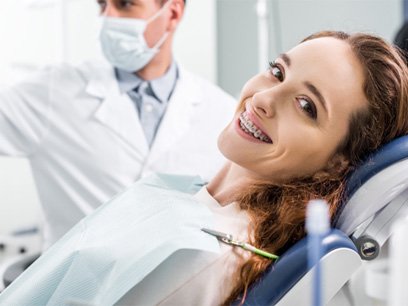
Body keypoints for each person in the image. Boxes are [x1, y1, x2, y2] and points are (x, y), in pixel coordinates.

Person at [1, 30, 408, 305]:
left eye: (306, 106)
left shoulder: (204, 257)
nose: (264, 99)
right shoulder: (192, 196)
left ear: (337, 162)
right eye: (278, 71)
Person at [0, 0, 236, 247]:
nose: (107, 16)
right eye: (102, 5)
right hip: (79, 282)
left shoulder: (221, 112)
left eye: (124, 5)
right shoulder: (55, 93)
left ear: (173, 12)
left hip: (176, 283)